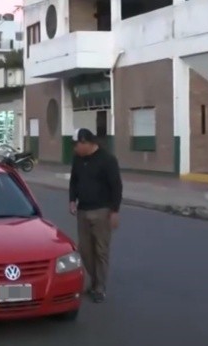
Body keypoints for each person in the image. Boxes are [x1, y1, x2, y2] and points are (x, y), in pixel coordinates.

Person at [68, 128, 122, 303]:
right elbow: (74, 180)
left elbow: (116, 186)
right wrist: (72, 200)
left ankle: (99, 287)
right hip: (83, 210)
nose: (74, 149)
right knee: (85, 250)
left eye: (76, 145)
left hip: (102, 210)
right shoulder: (78, 159)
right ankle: (94, 281)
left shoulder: (107, 160)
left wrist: (114, 211)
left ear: (85, 142)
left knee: (101, 250)